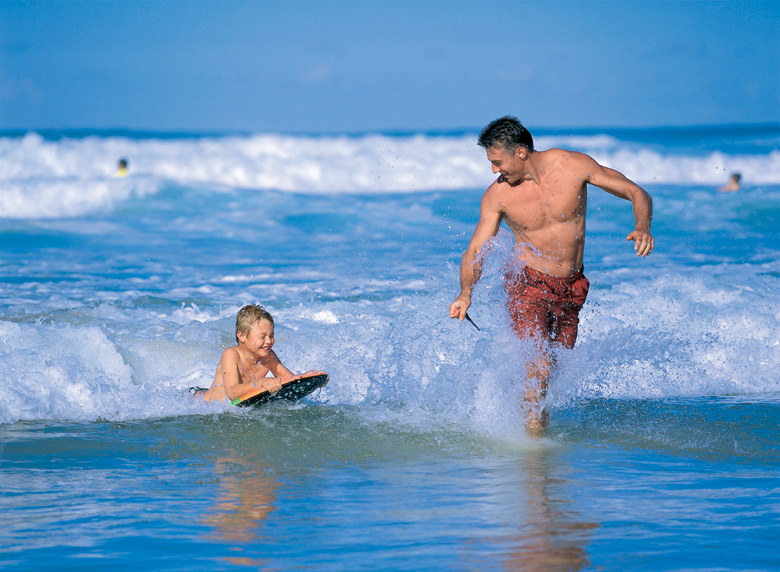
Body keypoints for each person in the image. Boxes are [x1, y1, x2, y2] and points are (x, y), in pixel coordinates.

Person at [449, 116, 654, 430]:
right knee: (539, 366)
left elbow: (636, 192)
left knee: (550, 369)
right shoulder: (498, 196)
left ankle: (530, 430)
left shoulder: (572, 166)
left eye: (497, 162)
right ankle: (535, 455)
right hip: (527, 283)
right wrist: (466, 292)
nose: (493, 170)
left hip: (572, 286)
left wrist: (642, 226)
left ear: (521, 152)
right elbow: (475, 250)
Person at [198, 304, 323, 402]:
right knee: (197, 395)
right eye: (262, 337)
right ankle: (195, 391)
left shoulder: (268, 355)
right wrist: (261, 383)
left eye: (271, 336)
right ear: (241, 336)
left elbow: (288, 380)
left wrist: (309, 378)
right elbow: (232, 393)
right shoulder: (231, 354)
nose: (268, 341)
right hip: (205, 403)